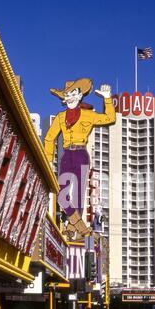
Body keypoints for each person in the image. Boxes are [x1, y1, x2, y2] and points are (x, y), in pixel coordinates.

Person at [44, 78, 115, 239]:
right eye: (68, 93)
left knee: (79, 194)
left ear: (80, 95)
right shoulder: (61, 117)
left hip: (82, 155)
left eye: (74, 92)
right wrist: (48, 159)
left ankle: (71, 227)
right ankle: (82, 228)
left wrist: (107, 98)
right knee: (62, 193)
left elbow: (109, 118)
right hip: (66, 154)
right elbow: (49, 138)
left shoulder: (88, 115)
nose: (71, 96)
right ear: (64, 97)